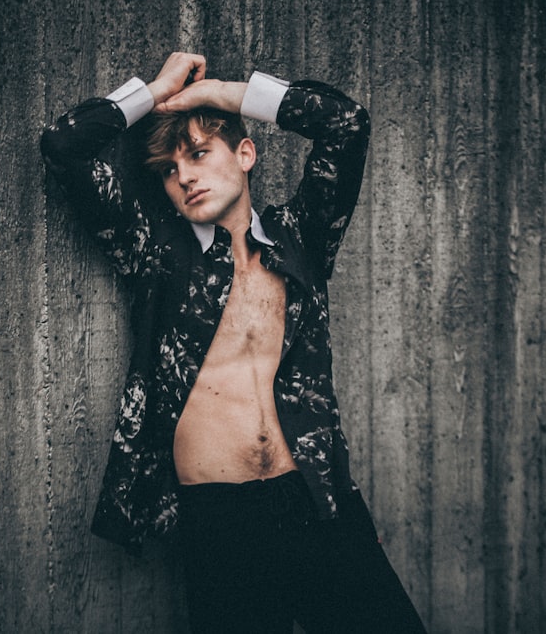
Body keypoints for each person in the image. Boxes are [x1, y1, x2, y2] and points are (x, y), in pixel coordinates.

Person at [41, 52, 426, 633]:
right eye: (170, 170)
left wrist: (223, 93)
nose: (186, 177)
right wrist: (153, 91)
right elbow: (63, 147)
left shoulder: (302, 240)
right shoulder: (155, 251)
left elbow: (346, 123)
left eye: (198, 154)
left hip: (318, 500)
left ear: (245, 154)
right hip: (221, 521)